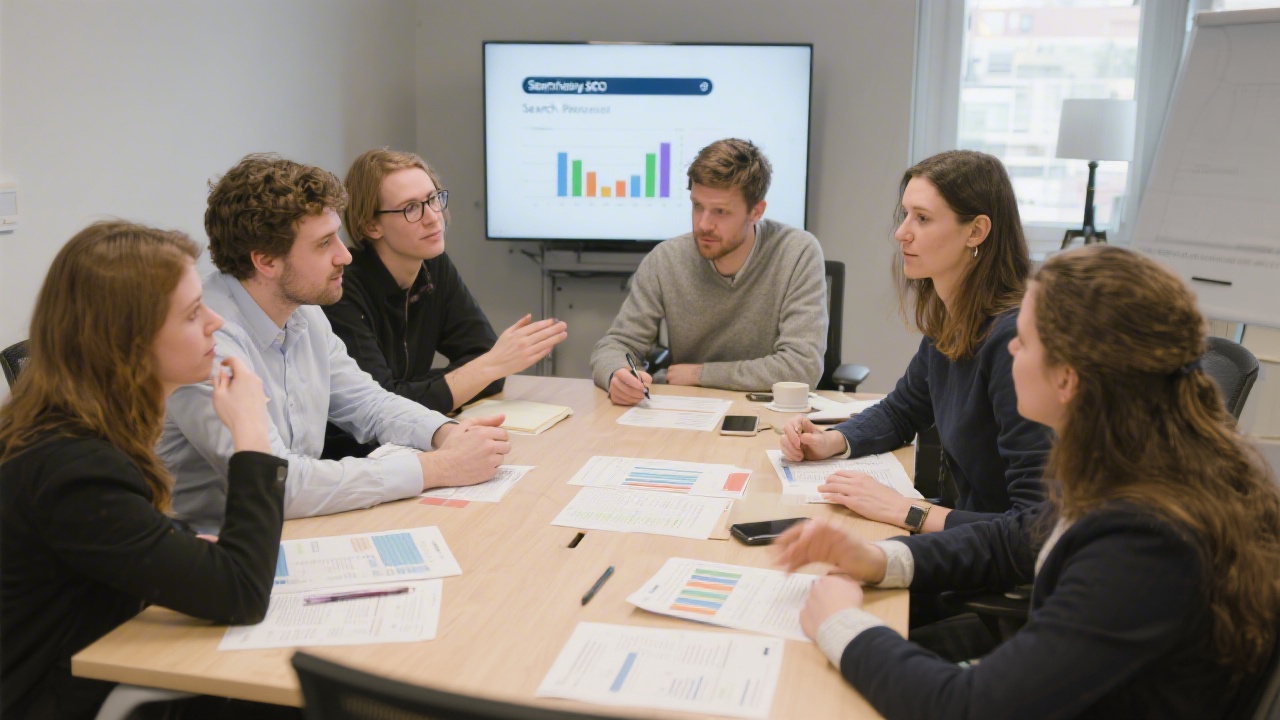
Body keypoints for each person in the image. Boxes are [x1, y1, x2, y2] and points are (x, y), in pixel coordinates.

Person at [775, 245, 1280, 719]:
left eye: (1027, 337)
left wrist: (840, 623)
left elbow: (969, 709)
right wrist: (879, 557)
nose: (1010, 343)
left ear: (1068, 378)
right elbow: (1017, 541)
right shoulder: (1135, 462)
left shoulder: (1144, 539)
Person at [0, 222, 286, 719]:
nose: (214, 322)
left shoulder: (72, 430)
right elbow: (240, 592)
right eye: (194, 313)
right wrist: (251, 436)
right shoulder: (73, 468)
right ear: (130, 343)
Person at [159, 154, 509, 533]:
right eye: (325, 243)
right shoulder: (209, 341)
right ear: (265, 261)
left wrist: (447, 433)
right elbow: (277, 484)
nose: (344, 255)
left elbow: (368, 403)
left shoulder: (303, 310)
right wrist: (437, 467)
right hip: (218, 547)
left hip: (299, 531)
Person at [781, 150, 1051, 532]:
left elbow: (1034, 529)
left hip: (1006, 564)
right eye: (905, 214)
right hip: (973, 534)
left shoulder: (1012, 344)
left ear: (976, 231)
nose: (901, 232)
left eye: (922, 219)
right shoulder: (954, 319)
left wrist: (903, 510)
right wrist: (831, 441)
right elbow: (902, 411)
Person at [320, 149, 567, 458]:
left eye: (433, 198)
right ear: (371, 226)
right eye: (411, 208)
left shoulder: (433, 266)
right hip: (357, 460)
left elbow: (487, 370)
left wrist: (416, 388)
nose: (433, 217)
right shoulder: (342, 290)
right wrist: (484, 368)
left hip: (413, 447)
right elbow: (384, 407)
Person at [590, 138, 827, 404]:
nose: (703, 224)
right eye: (697, 206)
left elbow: (802, 368)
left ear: (756, 212)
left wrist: (700, 374)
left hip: (767, 412)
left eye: (721, 212)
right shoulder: (666, 260)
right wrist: (617, 374)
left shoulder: (797, 253)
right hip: (688, 412)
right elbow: (615, 346)